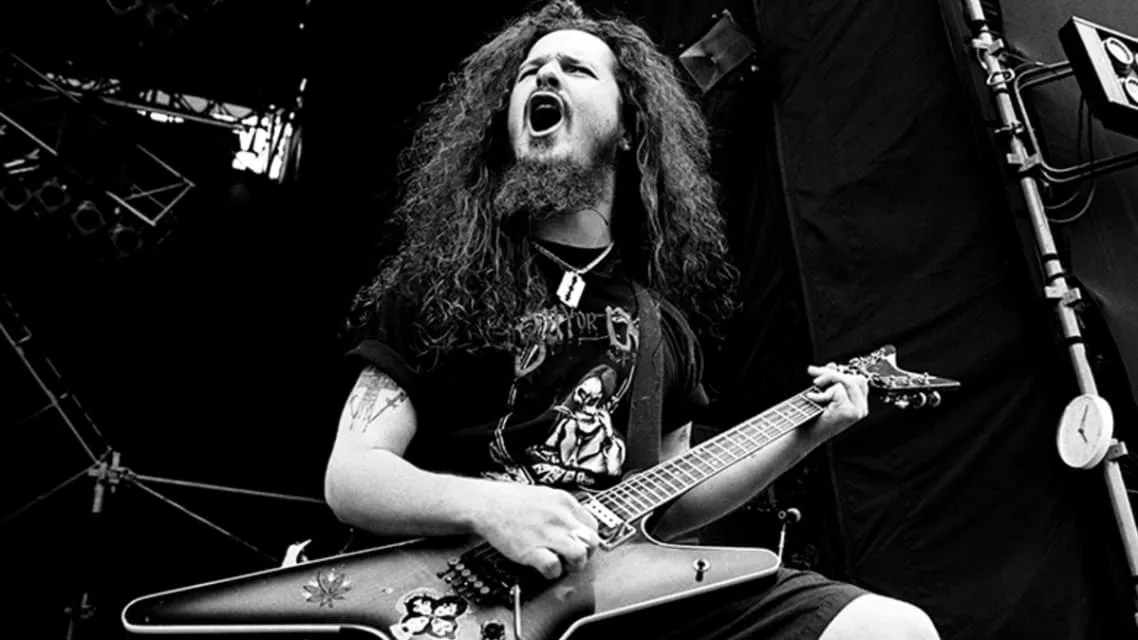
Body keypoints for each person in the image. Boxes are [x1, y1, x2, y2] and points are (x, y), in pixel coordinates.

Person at [324, 1, 939, 638]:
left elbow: (667, 503)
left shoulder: (660, 327)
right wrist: (491, 507)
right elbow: (353, 477)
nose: (546, 75)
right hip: (462, 599)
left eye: (576, 69)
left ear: (625, 128)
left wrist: (808, 430)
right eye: (531, 70)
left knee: (892, 628)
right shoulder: (444, 287)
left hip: (616, 592)